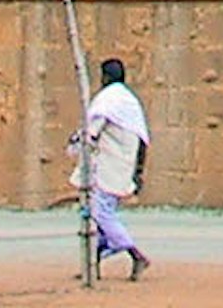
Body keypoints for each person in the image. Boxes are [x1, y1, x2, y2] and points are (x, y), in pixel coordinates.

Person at [80, 57, 150, 281]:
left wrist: (78, 144)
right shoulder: (129, 102)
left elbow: (92, 132)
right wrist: (138, 172)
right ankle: (93, 264)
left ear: (105, 77)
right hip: (122, 168)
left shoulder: (108, 101)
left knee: (101, 214)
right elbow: (143, 140)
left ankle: (135, 254)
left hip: (107, 168)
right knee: (97, 216)